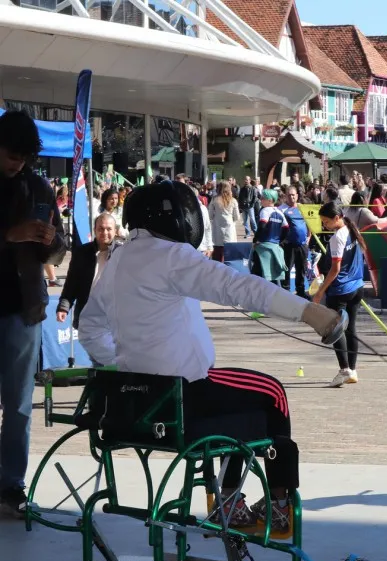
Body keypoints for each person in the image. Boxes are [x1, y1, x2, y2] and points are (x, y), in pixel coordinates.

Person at [79, 181, 347, 529]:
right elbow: (238, 286)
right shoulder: (170, 255)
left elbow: (89, 328)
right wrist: (308, 312)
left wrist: (122, 369)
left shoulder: (119, 259)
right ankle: (275, 502)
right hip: (185, 395)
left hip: (139, 404)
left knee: (237, 401)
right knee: (272, 393)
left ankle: (229, 499)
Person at [0, 111, 67, 517]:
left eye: (24, 158)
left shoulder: (38, 186)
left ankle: (11, 484)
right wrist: (10, 235)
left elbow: (59, 251)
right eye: (12, 155)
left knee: (20, 405)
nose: (17, 164)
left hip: (24, 308)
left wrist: (51, 240)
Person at [312, 202, 366, 388]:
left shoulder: (337, 238)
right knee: (351, 328)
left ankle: (344, 370)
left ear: (337, 218)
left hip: (341, 290)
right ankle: (352, 370)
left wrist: (320, 291)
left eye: (326, 221)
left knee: (335, 329)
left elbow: (335, 269)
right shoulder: (352, 229)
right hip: (357, 287)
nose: (324, 225)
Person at [56, 213, 117, 328]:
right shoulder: (82, 253)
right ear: (94, 230)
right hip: (87, 316)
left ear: (115, 231)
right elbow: (71, 284)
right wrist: (63, 307)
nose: (104, 233)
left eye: (109, 229)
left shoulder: (122, 253)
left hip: (114, 318)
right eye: (100, 229)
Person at [250, 189, 288, 285]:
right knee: (273, 276)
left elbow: (262, 226)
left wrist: (255, 240)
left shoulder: (265, 210)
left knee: (258, 275)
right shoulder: (280, 212)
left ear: (270, 200)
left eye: (263, 198)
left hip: (263, 248)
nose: (261, 200)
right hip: (275, 247)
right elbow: (286, 228)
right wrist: (279, 241)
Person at [280, 186, 310, 299]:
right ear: (285, 196)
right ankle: (285, 292)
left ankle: (301, 291)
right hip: (288, 245)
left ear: (297, 196)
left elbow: (309, 223)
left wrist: (309, 237)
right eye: (289, 195)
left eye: (293, 195)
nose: (291, 197)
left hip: (302, 245)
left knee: (301, 269)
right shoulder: (281, 209)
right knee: (287, 269)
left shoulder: (303, 208)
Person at [209, 182, 240, 262]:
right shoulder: (233, 201)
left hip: (217, 228)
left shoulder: (214, 200)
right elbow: (237, 217)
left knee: (217, 254)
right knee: (229, 256)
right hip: (229, 228)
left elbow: (210, 215)